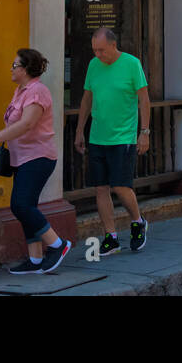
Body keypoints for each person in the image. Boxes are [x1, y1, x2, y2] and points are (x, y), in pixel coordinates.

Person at [0, 48, 71, 274]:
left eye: (15, 65)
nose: (11, 69)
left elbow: (28, 123)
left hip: (37, 157)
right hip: (23, 158)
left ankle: (58, 245)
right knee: (27, 205)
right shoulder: (21, 91)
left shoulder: (37, 91)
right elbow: (16, 125)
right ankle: (35, 259)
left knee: (21, 205)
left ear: (26, 69)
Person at [74, 28, 151, 254]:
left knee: (120, 185)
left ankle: (137, 222)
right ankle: (111, 236)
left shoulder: (131, 64)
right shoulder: (93, 65)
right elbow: (87, 99)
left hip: (123, 135)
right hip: (98, 135)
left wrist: (144, 132)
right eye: (94, 50)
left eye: (101, 50)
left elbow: (144, 98)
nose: (98, 55)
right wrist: (80, 131)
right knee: (100, 188)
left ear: (113, 45)